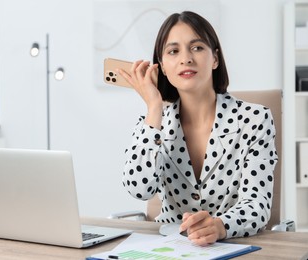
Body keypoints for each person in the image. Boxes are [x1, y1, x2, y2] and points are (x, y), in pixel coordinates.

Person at [119, 11, 278, 246]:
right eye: (174, 51)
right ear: (162, 67)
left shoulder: (255, 119)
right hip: (168, 248)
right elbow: (139, 189)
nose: (186, 58)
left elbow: (257, 204)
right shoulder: (152, 125)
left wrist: (220, 226)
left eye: (197, 48)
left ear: (215, 59)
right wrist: (154, 106)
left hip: (232, 246)